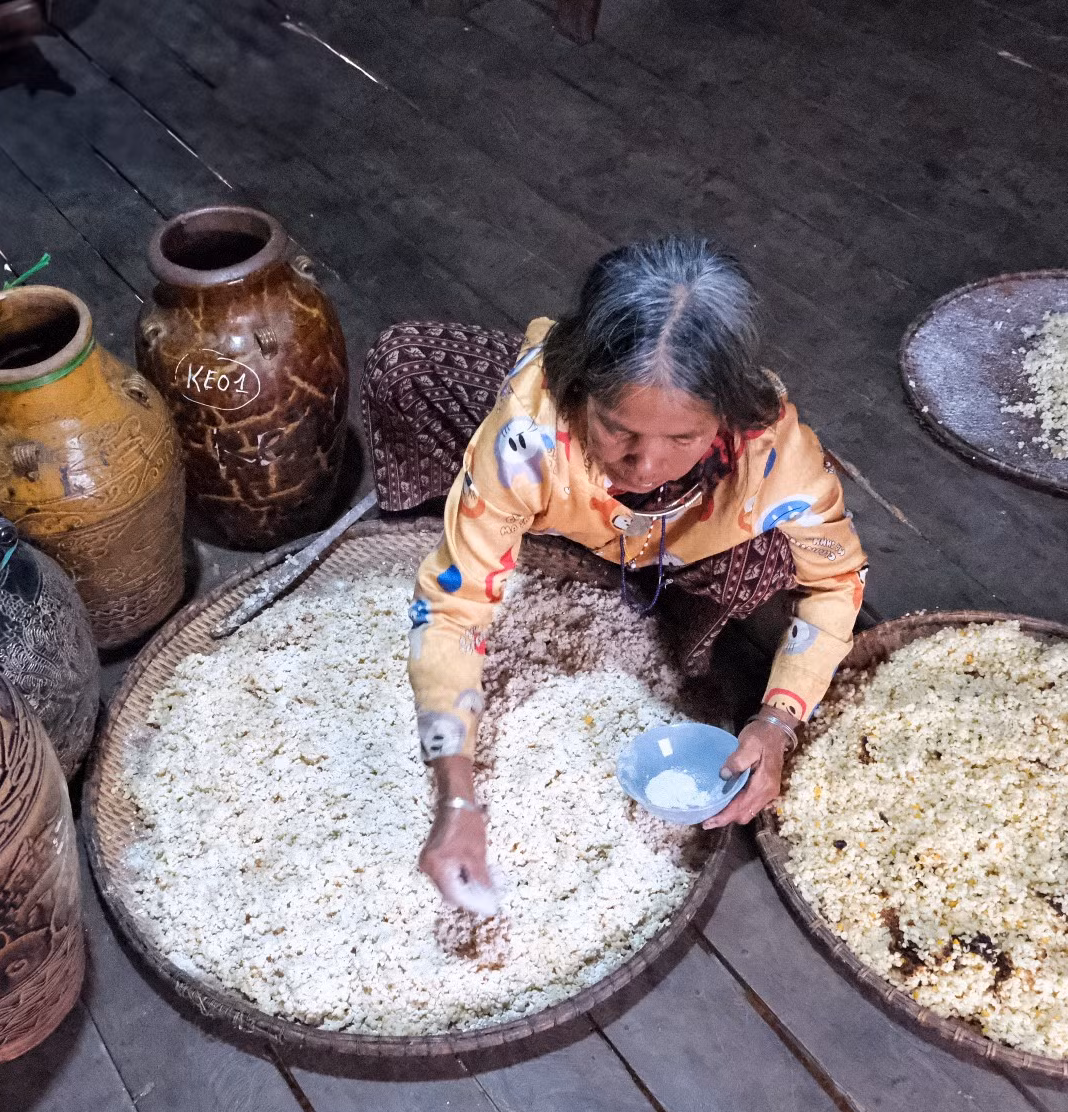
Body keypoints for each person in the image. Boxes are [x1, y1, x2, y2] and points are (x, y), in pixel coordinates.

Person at [361, 237, 868, 914]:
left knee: (770, 562)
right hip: (554, 494)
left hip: (685, 546)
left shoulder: (774, 459)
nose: (645, 464)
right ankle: (501, 522)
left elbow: (836, 585)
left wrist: (778, 721)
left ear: (726, 415)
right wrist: (456, 792)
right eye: (617, 427)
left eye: (682, 438)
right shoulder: (530, 432)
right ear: (577, 387)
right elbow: (452, 611)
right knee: (406, 363)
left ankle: (672, 621)